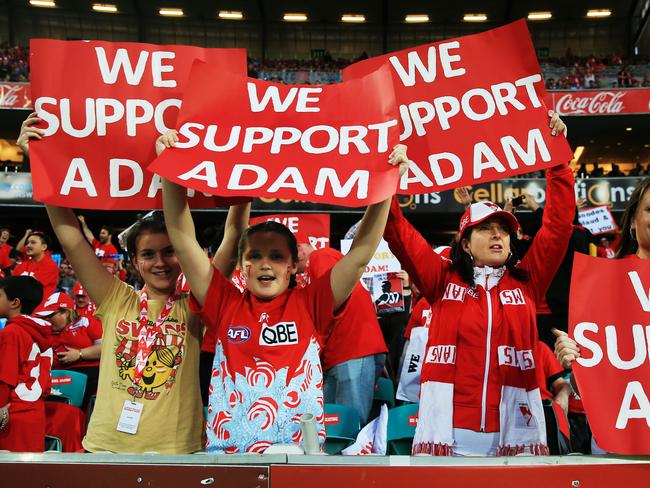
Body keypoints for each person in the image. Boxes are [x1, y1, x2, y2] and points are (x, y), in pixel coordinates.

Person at [158, 130, 406, 454]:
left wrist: (386, 187)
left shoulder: (311, 303)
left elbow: (360, 254)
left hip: (300, 457)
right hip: (228, 458)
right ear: (242, 265)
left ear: (292, 267)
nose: (265, 265)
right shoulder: (222, 303)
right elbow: (181, 237)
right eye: (255, 256)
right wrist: (170, 171)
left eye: (277, 257)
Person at [18, 112, 211, 454]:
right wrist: (41, 165)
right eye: (148, 254)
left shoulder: (196, 302)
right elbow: (72, 241)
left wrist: (170, 169)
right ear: (135, 262)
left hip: (177, 452)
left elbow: (198, 234)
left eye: (170, 251)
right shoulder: (116, 299)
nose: (160, 262)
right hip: (107, 447)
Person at [384, 112, 573, 456]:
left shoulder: (527, 282)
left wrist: (558, 162)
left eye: (503, 228)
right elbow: (396, 231)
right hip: (447, 435)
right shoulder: (441, 279)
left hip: (518, 433)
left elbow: (558, 226)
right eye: (486, 228)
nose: (498, 234)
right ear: (466, 243)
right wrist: (387, 178)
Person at [298, 242, 387, 425]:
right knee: (330, 426)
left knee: (348, 424)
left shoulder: (320, 256)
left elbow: (328, 298)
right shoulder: (308, 273)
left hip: (352, 347)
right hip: (340, 352)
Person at [0, 275, 52, 452]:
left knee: (9, 477)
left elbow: (5, 379)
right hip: (35, 412)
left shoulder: (12, 332)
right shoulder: (42, 331)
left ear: (15, 302)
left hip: (11, 414)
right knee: (29, 475)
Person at [35, 291, 102, 408]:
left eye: (51, 315)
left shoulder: (87, 322)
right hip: (55, 380)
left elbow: (106, 348)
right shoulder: (45, 331)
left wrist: (79, 354)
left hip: (90, 376)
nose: (47, 319)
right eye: (45, 316)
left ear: (65, 312)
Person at [11, 230, 59, 301]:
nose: (28, 245)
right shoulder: (21, 266)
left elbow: (33, 287)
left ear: (44, 247)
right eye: (27, 243)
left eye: (33, 242)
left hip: (40, 309)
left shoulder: (50, 265)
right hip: (21, 307)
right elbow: (11, 285)